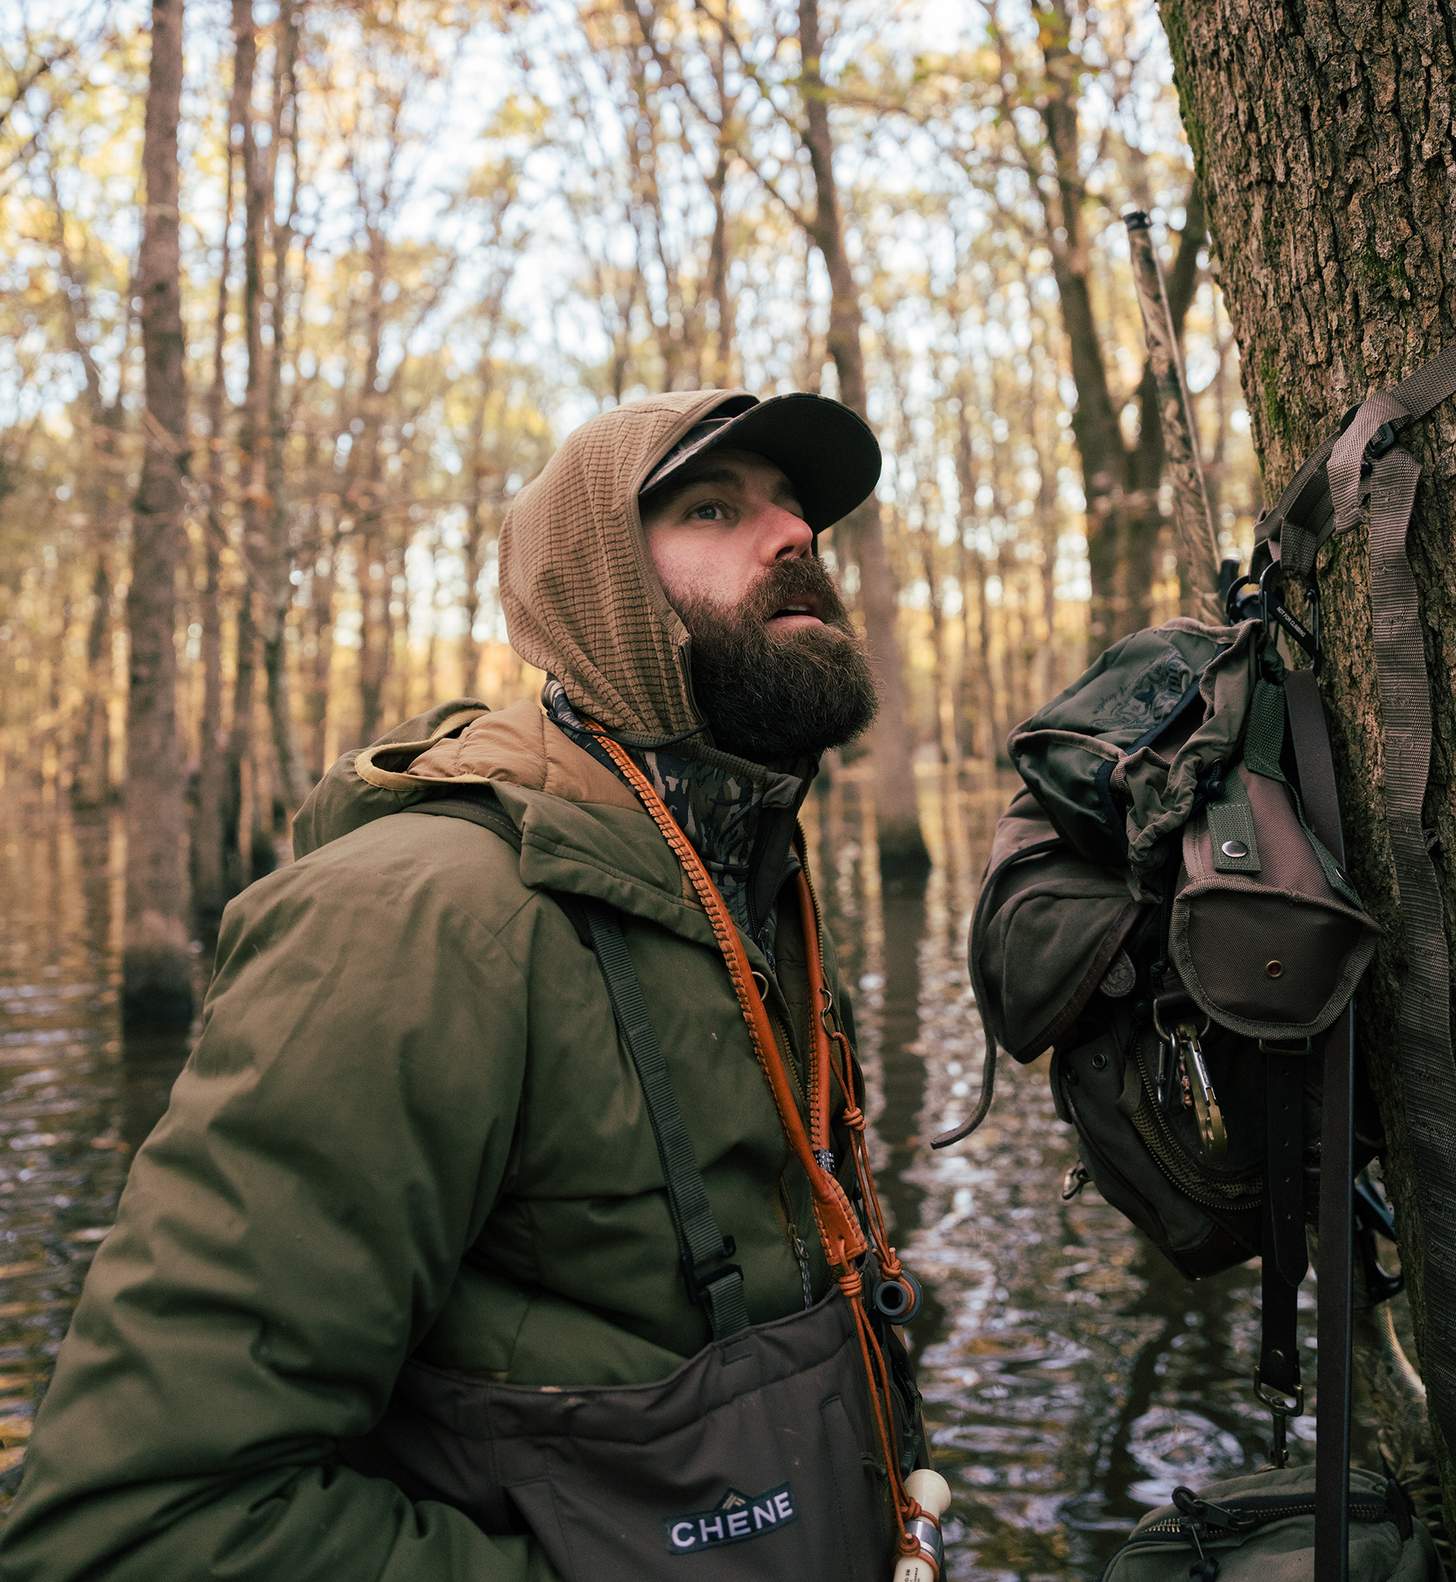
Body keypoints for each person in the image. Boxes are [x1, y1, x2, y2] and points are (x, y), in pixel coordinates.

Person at [0, 389, 934, 1582]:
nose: (795, 535)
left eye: (798, 509)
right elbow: (134, 1531)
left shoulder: (742, 884)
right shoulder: (415, 917)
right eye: (714, 506)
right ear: (599, 589)